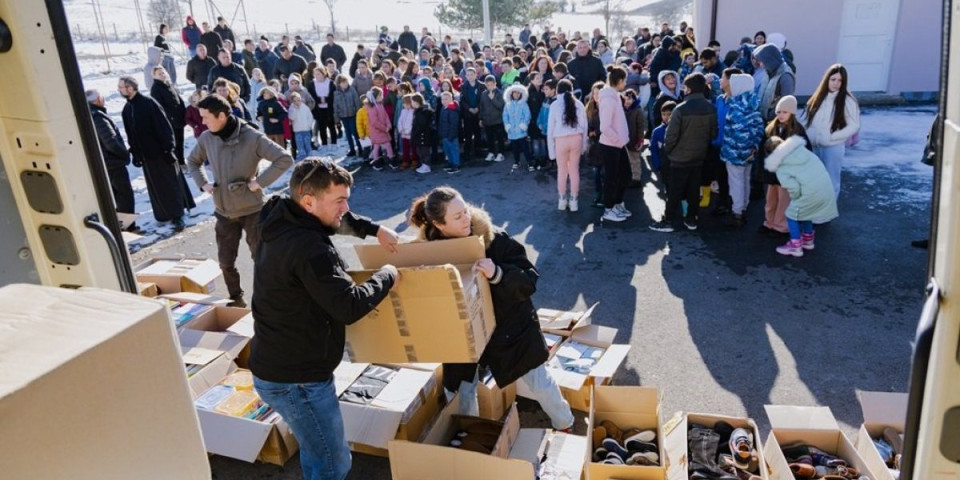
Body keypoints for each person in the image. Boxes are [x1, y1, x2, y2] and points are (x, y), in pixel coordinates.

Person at [249, 158, 400, 480]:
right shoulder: (307, 248)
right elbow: (348, 305)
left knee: (316, 450)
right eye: (340, 200)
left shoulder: (280, 214)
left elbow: (333, 220)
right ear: (308, 201)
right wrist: (387, 276)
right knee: (333, 463)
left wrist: (373, 229)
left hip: (280, 367)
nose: (345, 207)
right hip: (298, 379)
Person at [408, 187, 574, 431]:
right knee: (463, 392)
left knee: (538, 379)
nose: (466, 219)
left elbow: (529, 280)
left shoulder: (496, 240)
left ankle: (565, 423)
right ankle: (474, 438)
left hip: (510, 329)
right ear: (438, 224)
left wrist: (498, 274)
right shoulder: (428, 253)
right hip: (461, 337)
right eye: (457, 217)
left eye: (465, 211)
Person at [186, 94, 293, 307]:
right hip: (224, 212)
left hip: (253, 210)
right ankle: (236, 298)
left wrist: (259, 182)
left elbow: (284, 159)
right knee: (225, 263)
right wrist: (203, 184)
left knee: (261, 260)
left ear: (222, 116)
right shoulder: (207, 137)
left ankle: (268, 299)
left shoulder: (252, 137)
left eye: (206, 117)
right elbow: (192, 161)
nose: (203, 122)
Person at [117, 76, 193, 231]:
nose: (120, 90)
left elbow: (163, 127)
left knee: (170, 183)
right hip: (146, 156)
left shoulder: (148, 103)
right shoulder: (127, 109)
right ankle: (164, 214)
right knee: (157, 187)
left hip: (161, 152)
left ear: (131, 88)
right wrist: (136, 154)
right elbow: (131, 135)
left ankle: (177, 215)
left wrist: (168, 149)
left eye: (122, 87)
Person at [650, 73, 717, 232]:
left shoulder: (680, 109)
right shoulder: (711, 107)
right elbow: (713, 134)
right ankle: (691, 219)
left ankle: (668, 221)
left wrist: (669, 152)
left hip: (678, 158)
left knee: (674, 190)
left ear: (690, 88)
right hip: (699, 156)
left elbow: (670, 137)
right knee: (694, 189)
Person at [764, 136, 838, 257]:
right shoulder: (803, 151)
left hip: (810, 192)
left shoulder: (782, 167)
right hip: (825, 188)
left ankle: (795, 246)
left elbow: (794, 188)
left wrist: (795, 198)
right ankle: (808, 240)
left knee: (792, 214)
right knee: (806, 211)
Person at [804, 64, 860, 200]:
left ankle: (826, 212)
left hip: (833, 147)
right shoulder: (818, 97)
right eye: (833, 79)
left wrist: (832, 137)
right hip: (814, 146)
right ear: (827, 79)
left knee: (830, 180)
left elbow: (854, 125)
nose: (836, 83)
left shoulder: (848, 100)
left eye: (840, 80)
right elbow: (805, 119)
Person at [760, 95, 811, 237]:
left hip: (787, 174)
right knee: (771, 199)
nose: (781, 115)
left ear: (792, 113)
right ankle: (769, 222)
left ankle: (780, 225)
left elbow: (805, 152)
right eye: (779, 112)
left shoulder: (798, 131)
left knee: (784, 201)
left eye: (785, 112)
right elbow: (763, 148)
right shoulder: (771, 128)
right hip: (773, 172)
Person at [719, 73, 765, 228]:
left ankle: (737, 213)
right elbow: (759, 127)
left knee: (736, 181)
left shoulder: (737, 106)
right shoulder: (753, 103)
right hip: (750, 151)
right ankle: (744, 208)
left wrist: (737, 150)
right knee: (745, 179)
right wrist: (754, 147)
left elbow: (736, 132)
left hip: (735, 152)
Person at [87, 89, 137, 230]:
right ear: (97, 100)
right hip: (113, 163)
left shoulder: (89, 115)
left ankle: (122, 225)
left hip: (105, 163)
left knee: (117, 196)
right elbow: (111, 141)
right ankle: (128, 226)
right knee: (124, 195)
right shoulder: (98, 117)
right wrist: (124, 155)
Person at [597, 67, 632, 223]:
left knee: (624, 175)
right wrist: (618, 140)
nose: (625, 83)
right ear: (619, 81)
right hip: (611, 145)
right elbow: (604, 127)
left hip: (617, 144)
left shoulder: (614, 96)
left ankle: (616, 204)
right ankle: (609, 208)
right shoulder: (609, 99)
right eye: (624, 80)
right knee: (612, 178)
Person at [547, 79, 588, 212]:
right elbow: (584, 126)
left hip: (560, 140)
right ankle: (574, 200)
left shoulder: (554, 105)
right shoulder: (579, 104)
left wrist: (551, 150)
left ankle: (562, 200)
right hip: (576, 138)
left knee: (562, 171)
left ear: (557, 90)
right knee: (574, 171)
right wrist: (584, 145)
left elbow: (550, 129)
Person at [149, 67, 187, 165]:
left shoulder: (168, 84)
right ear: (154, 76)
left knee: (180, 141)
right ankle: (178, 163)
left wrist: (183, 111)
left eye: (163, 72)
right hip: (170, 120)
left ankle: (181, 161)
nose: (162, 75)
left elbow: (178, 98)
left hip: (178, 118)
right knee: (175, 142)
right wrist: (171, 117)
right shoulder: (156, 89)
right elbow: (160, 107)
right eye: (159, 74)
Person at [753, 44, 795, 122]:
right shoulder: (768, 72)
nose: (761, 65)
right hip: (764, 120)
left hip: (776, 123)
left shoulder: (785, 76)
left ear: (770, 60)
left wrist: (771, 115)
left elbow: (786, 103)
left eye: (762, 61)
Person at [502, 84, 533, 172]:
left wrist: (523, 125)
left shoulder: (523, 104)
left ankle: (529, 162)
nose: (516, 94)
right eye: (514, 93)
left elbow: (527, 115)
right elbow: (505, 115)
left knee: (525, 147)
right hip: (512, 130)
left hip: (521, 131)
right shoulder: (508, 104)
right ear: (511, 94)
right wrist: (507, 125)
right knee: (515, 148)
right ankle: (516, 161)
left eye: (518, 93)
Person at [364, 87, 395, 170]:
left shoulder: (380, 105)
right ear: (376, 97)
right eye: (381, 95)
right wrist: (385, 128)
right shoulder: (372, 108)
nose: (382, 96)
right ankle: (378, 161)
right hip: (377, 131)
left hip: (383, 129)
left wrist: (388, 124)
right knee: (378, 146)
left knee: (386, 144)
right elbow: (374, 122)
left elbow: (385, 116)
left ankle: (390, 159)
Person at [306, 68, 337, 148]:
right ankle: (324, 144)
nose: (317, 76)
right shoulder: (312, 84)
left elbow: (333, 95)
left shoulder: (330, 83)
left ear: (323, 74)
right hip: (318, 109)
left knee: (331, 126)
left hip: (329, 108)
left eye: (318, 74)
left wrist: (326, 99)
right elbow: (311, 96)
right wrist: (320, 100)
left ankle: (334, 143)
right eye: (315, 74)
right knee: (322, 127)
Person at [333, 75, 362, 157]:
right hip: (343, 116)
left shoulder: (352, 90)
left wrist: (358, 112)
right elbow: (335, 106)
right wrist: (337, 119)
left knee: (355, 132)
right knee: (348, 133)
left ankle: (360, 148)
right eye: (342, 82)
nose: (345, 84)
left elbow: (356, 101)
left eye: (345, 82)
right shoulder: (336, 93)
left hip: (352, 115)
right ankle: (352, 149)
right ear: (339, 84)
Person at [460, 68, 485, 162]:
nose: (470, 76)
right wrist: (469, 108)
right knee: (468, 134)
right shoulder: (463, 86)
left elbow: (482, 98)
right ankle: (467, 153)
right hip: (468, 114)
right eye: (468, 75)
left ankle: (478, 151)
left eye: (472, 74)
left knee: (478, 133)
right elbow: (462, 100)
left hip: (478, 113)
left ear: (475, 75)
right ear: (466, 76)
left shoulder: (481, 86)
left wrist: (477, 108)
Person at [479, 75, 506, 162]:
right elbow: (481, 106)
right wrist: (481, 118)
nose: (490, 86)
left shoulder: (500, 93)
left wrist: (493, 98)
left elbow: (501, 106)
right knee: (489, 138)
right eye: (488, 85)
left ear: (495, 84)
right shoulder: (483, 94)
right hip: (487, 121)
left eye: (491, 84)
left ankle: (501, 153)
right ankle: (491, 152)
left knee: (499, 138)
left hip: (498, 120)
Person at [622, 89, 646, 187]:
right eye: (625, 99)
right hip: (624, 140)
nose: (627, 102)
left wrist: (640, 140)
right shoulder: (622, 110)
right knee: (627, 160)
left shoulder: (638, 111)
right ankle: (628, 177)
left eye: (630, 99)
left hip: (634, 140)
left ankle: (636, 178)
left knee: (635, 160)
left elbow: (641, 127)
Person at [410, 93, 435, 173]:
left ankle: (426, 165)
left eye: (412, 101)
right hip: (420, 135)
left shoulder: (422, 112)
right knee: (420, 150)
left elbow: (422, 125)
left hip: (423, 135)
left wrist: (415, 132)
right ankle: (423, 164)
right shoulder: (418, 111)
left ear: (416, 102)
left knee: (424, 151)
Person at [437, 91, 462, 173]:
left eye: (446, 99)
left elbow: (454, 124)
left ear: (451, 99)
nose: (444, 101)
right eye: (443, 99)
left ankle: (456, 165)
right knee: (447, 150)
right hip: (445, 135)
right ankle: (450, 163)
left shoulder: (452, 110)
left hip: (451, 135)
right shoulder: (443, 108)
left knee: (453, 150)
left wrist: (452, 135)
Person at [288, 92, 315, 160]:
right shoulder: (291, 108)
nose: (297, 102)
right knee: (300, 145)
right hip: (298, 130)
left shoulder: (305, 107)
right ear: (292, 101)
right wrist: (295, 109)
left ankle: (309, 156)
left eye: (298, 100)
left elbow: (310, 116)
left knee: (307, 143)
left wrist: (309, 125)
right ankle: (302, 156)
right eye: (295, 101)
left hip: (306, 129)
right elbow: (292, 117)